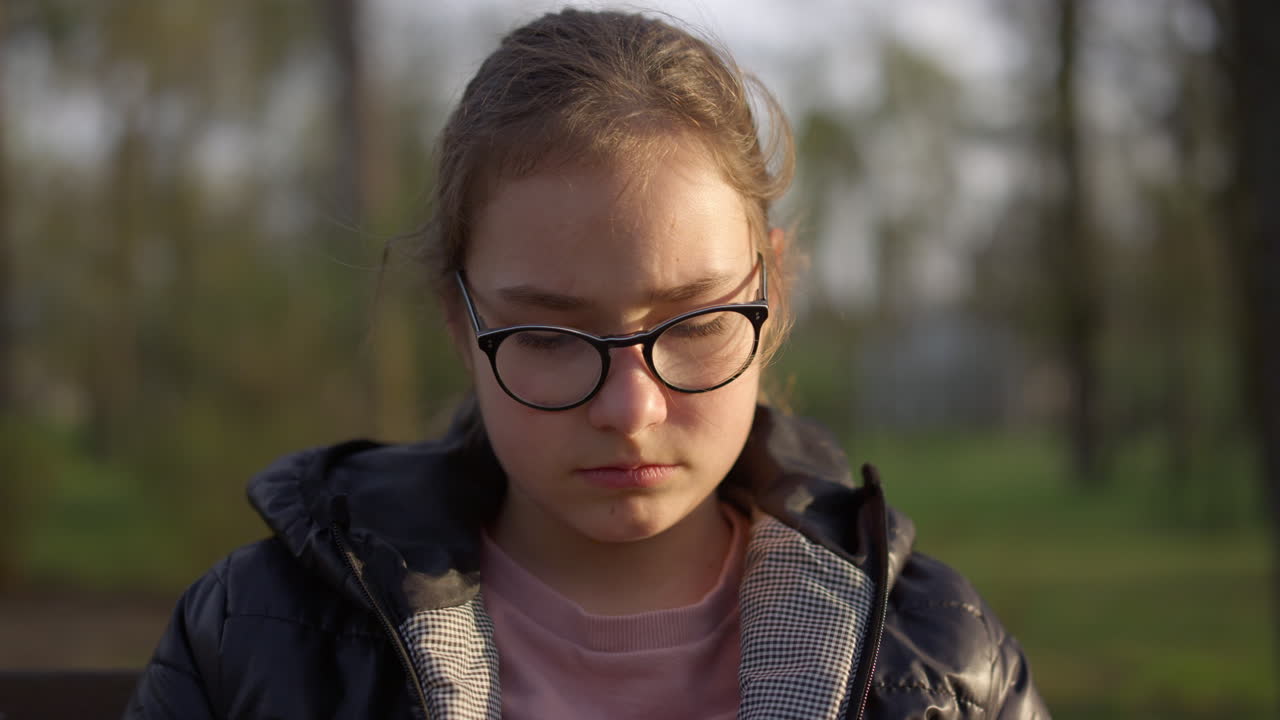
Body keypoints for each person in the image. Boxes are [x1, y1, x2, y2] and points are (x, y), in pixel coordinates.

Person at [126, 7, 1048, 719]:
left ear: (772, 298)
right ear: (458, 320)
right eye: (549, 337)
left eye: (695, 322)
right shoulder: (255, 637)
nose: (630, 409)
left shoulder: (941, 664)